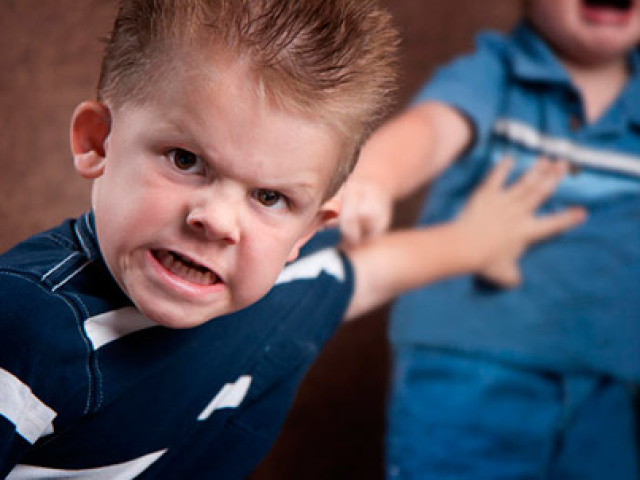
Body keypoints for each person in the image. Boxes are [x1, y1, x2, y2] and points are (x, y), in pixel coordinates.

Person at [0, 0, 584, 478]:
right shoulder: (28, 327)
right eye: (186, 159)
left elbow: (364, 274)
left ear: (308, 230)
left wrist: (477, 241)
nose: (220, 221)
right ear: (98, 142)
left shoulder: (271, 293)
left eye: (270, 198)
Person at [339, 0, 640, 478]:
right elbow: (433, 129)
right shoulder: (496, 73)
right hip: (469, 372)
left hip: (605, 383)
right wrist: (375, 177)